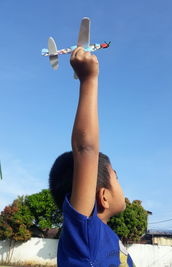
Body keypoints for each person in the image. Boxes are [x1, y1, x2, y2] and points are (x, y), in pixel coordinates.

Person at [49, 47, 135, 267]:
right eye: (116, 176)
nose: (121, 182)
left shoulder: (104, 238)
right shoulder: (87, 237)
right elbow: (85, 149)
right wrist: (88, 80)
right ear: (103, 197)